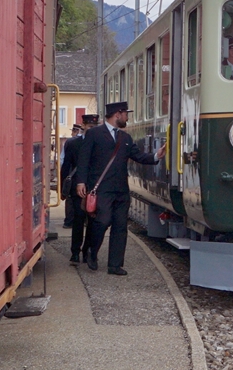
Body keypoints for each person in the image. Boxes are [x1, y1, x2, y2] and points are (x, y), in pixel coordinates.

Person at [74, 101, 161, 275]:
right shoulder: (94, 134)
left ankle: (115, 265)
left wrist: (157, 155)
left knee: (120, 226)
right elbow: (84, 159)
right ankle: (92, 250)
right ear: (117, 114)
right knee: (102, 220)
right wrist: (81, 182)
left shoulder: (125, 138)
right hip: (101, 188)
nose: (127, 117)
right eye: (126, 114)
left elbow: (138, 156)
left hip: (121, 189)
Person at [64, 114, 100, 260]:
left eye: (94, 127)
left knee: (92, 221)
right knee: (78, 220)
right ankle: (75, 252)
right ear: (83, 126)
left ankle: (87, 251)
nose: (92, 129)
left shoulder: (100, 143)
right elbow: (66, 166)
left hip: (94, 188)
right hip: (77, 188)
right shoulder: (73, 144)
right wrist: (63, 189)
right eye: (90, 127)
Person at [59, 121, 87, 230]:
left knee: (71, 201)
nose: (73, 133)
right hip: (77, 177)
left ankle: (69, 221)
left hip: (73, 177)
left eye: (74, 130)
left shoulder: (70, 142)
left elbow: (63, 162)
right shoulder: (73, 142)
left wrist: (63, 183)